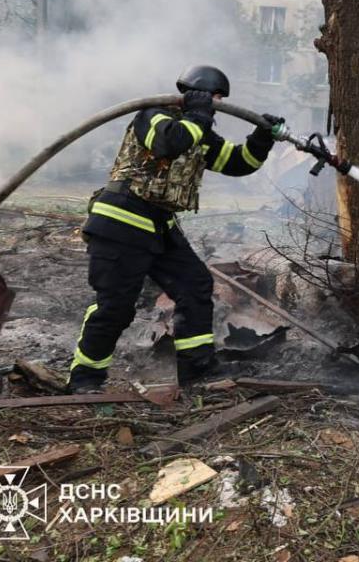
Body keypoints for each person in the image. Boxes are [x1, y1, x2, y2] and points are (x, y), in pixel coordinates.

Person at [68, 65, 284, 393]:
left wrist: (261, 137)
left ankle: (198, 370)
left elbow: (238, 163)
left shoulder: (199, 130)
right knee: (116, 306)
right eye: (214, 97)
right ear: (196, 94)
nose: (217, 104)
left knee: (194, 286)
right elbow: (170, 143)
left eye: (219, 99)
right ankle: (85, 380)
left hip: (159, 225)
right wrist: (198, 115)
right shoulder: (152, 116)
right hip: (122, 221)